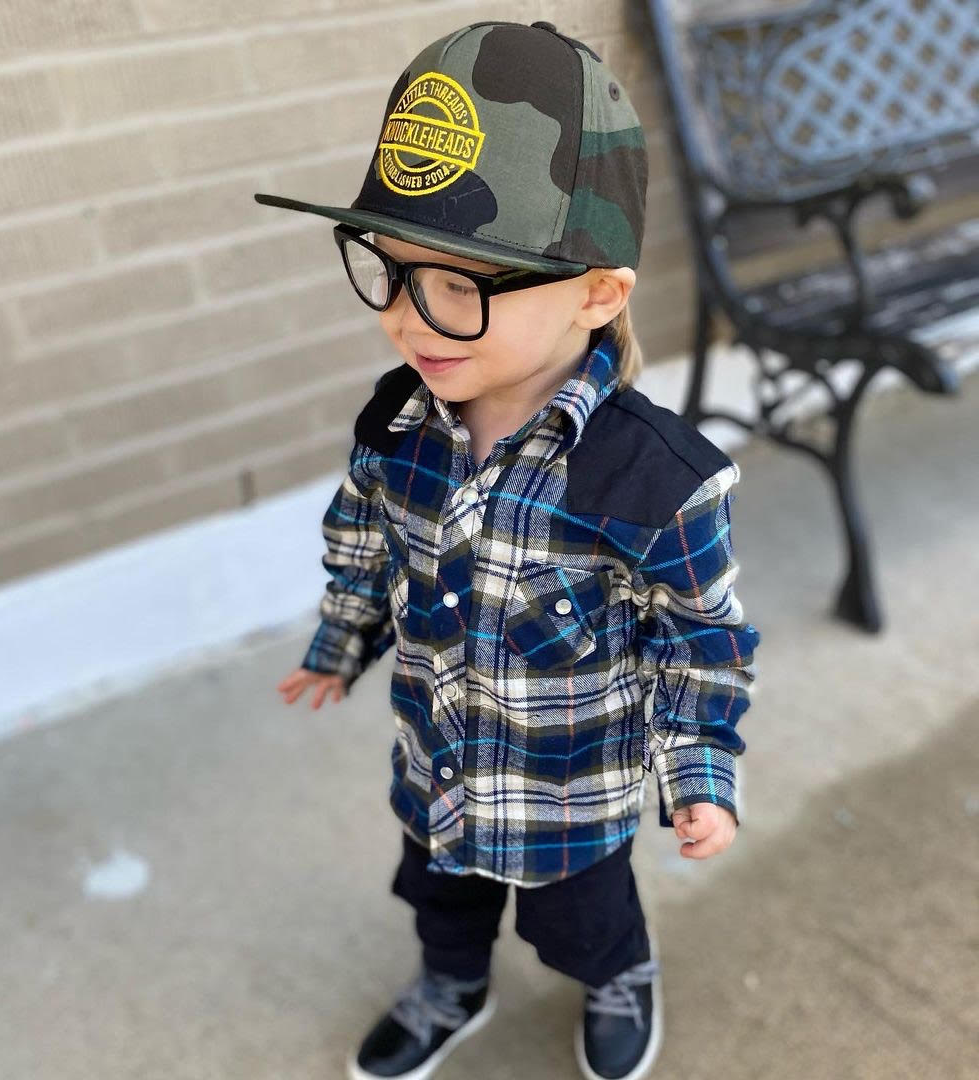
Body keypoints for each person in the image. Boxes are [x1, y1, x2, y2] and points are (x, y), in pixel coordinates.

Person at [268, 19, 761, 1080]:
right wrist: (339, 643)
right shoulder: (398, 429)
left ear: (598, 293)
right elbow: (363, 547)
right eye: (394, 273)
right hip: (436, 768)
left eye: (463, 285)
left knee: (589, 925)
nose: (411, 320)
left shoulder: (653, 481)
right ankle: (451, 984)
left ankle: (621, 976)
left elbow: (701, 643)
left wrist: (699, 775)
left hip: (566, 800)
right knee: (438, 900)